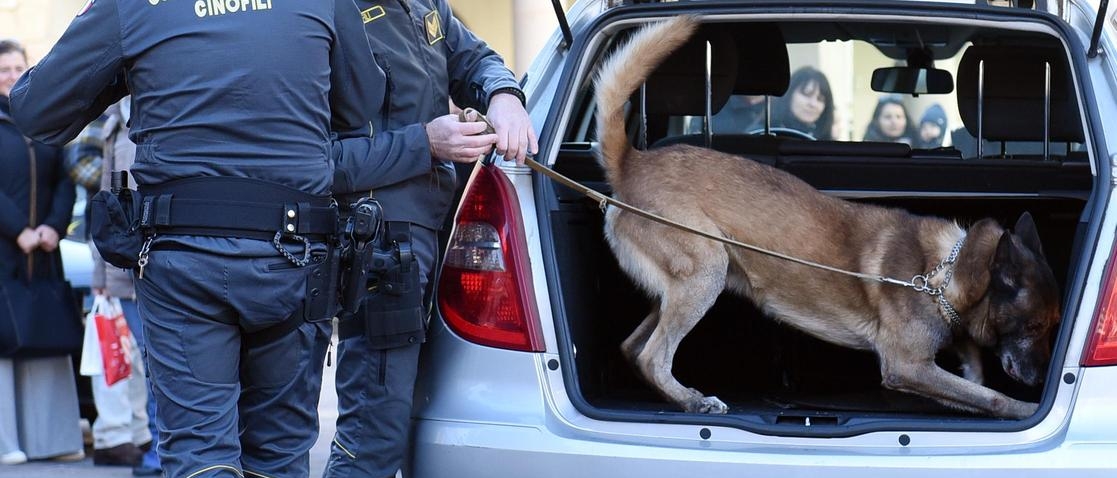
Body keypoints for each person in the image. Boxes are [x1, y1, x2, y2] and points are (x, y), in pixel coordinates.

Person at [9, 2, 383, 477]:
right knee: (279, 456)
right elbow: (362, 104)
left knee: (198, 456)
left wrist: (130, 66)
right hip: (294, 257)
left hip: (185, 260)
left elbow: (35, 107)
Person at [324, 2, 536, 477]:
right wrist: (425, 143)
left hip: (439, 231)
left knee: (407, 428)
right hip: (379, 247)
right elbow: (312, 162)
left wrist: (503, 94)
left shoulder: (426, 4)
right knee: (374, 435)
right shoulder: (326, 12)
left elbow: (476, 59)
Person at [0, 38, 85, 467]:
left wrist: (53, 226)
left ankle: (52, 438)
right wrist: (19, 231)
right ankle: (5, 441)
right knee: (4, 341)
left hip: (45, 252)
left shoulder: (44, 119)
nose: (11, 76)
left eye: (17, 68)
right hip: (5, 253)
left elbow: (66, 179)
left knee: (46, 336)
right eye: (3, 69)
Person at [70, 97, 162, 475]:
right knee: (146, 363)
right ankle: (156, 450)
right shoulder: (111, 127)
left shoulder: (164, 118)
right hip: (124, 273)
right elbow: (105, 209)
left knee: (164, 365)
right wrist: (99, 280)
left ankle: (162, 451)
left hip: (164, 265)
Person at [770, 66, 834, 140]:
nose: (813, 104)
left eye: (820, 99)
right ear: (790, 94)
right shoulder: (765, 133)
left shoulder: (828, 145)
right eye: (806, 94)